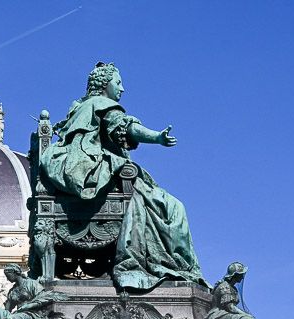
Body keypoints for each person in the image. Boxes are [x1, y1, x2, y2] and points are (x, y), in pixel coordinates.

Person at [38, 62, 207, 292]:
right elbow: (126, 128)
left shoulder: (80, 108)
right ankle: (174, 266)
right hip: (102, 181)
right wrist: (156, 137)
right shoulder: (101, 105)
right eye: (118, 82)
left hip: (85, 178)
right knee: (174, 208)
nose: (122, 88)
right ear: (104, 85)